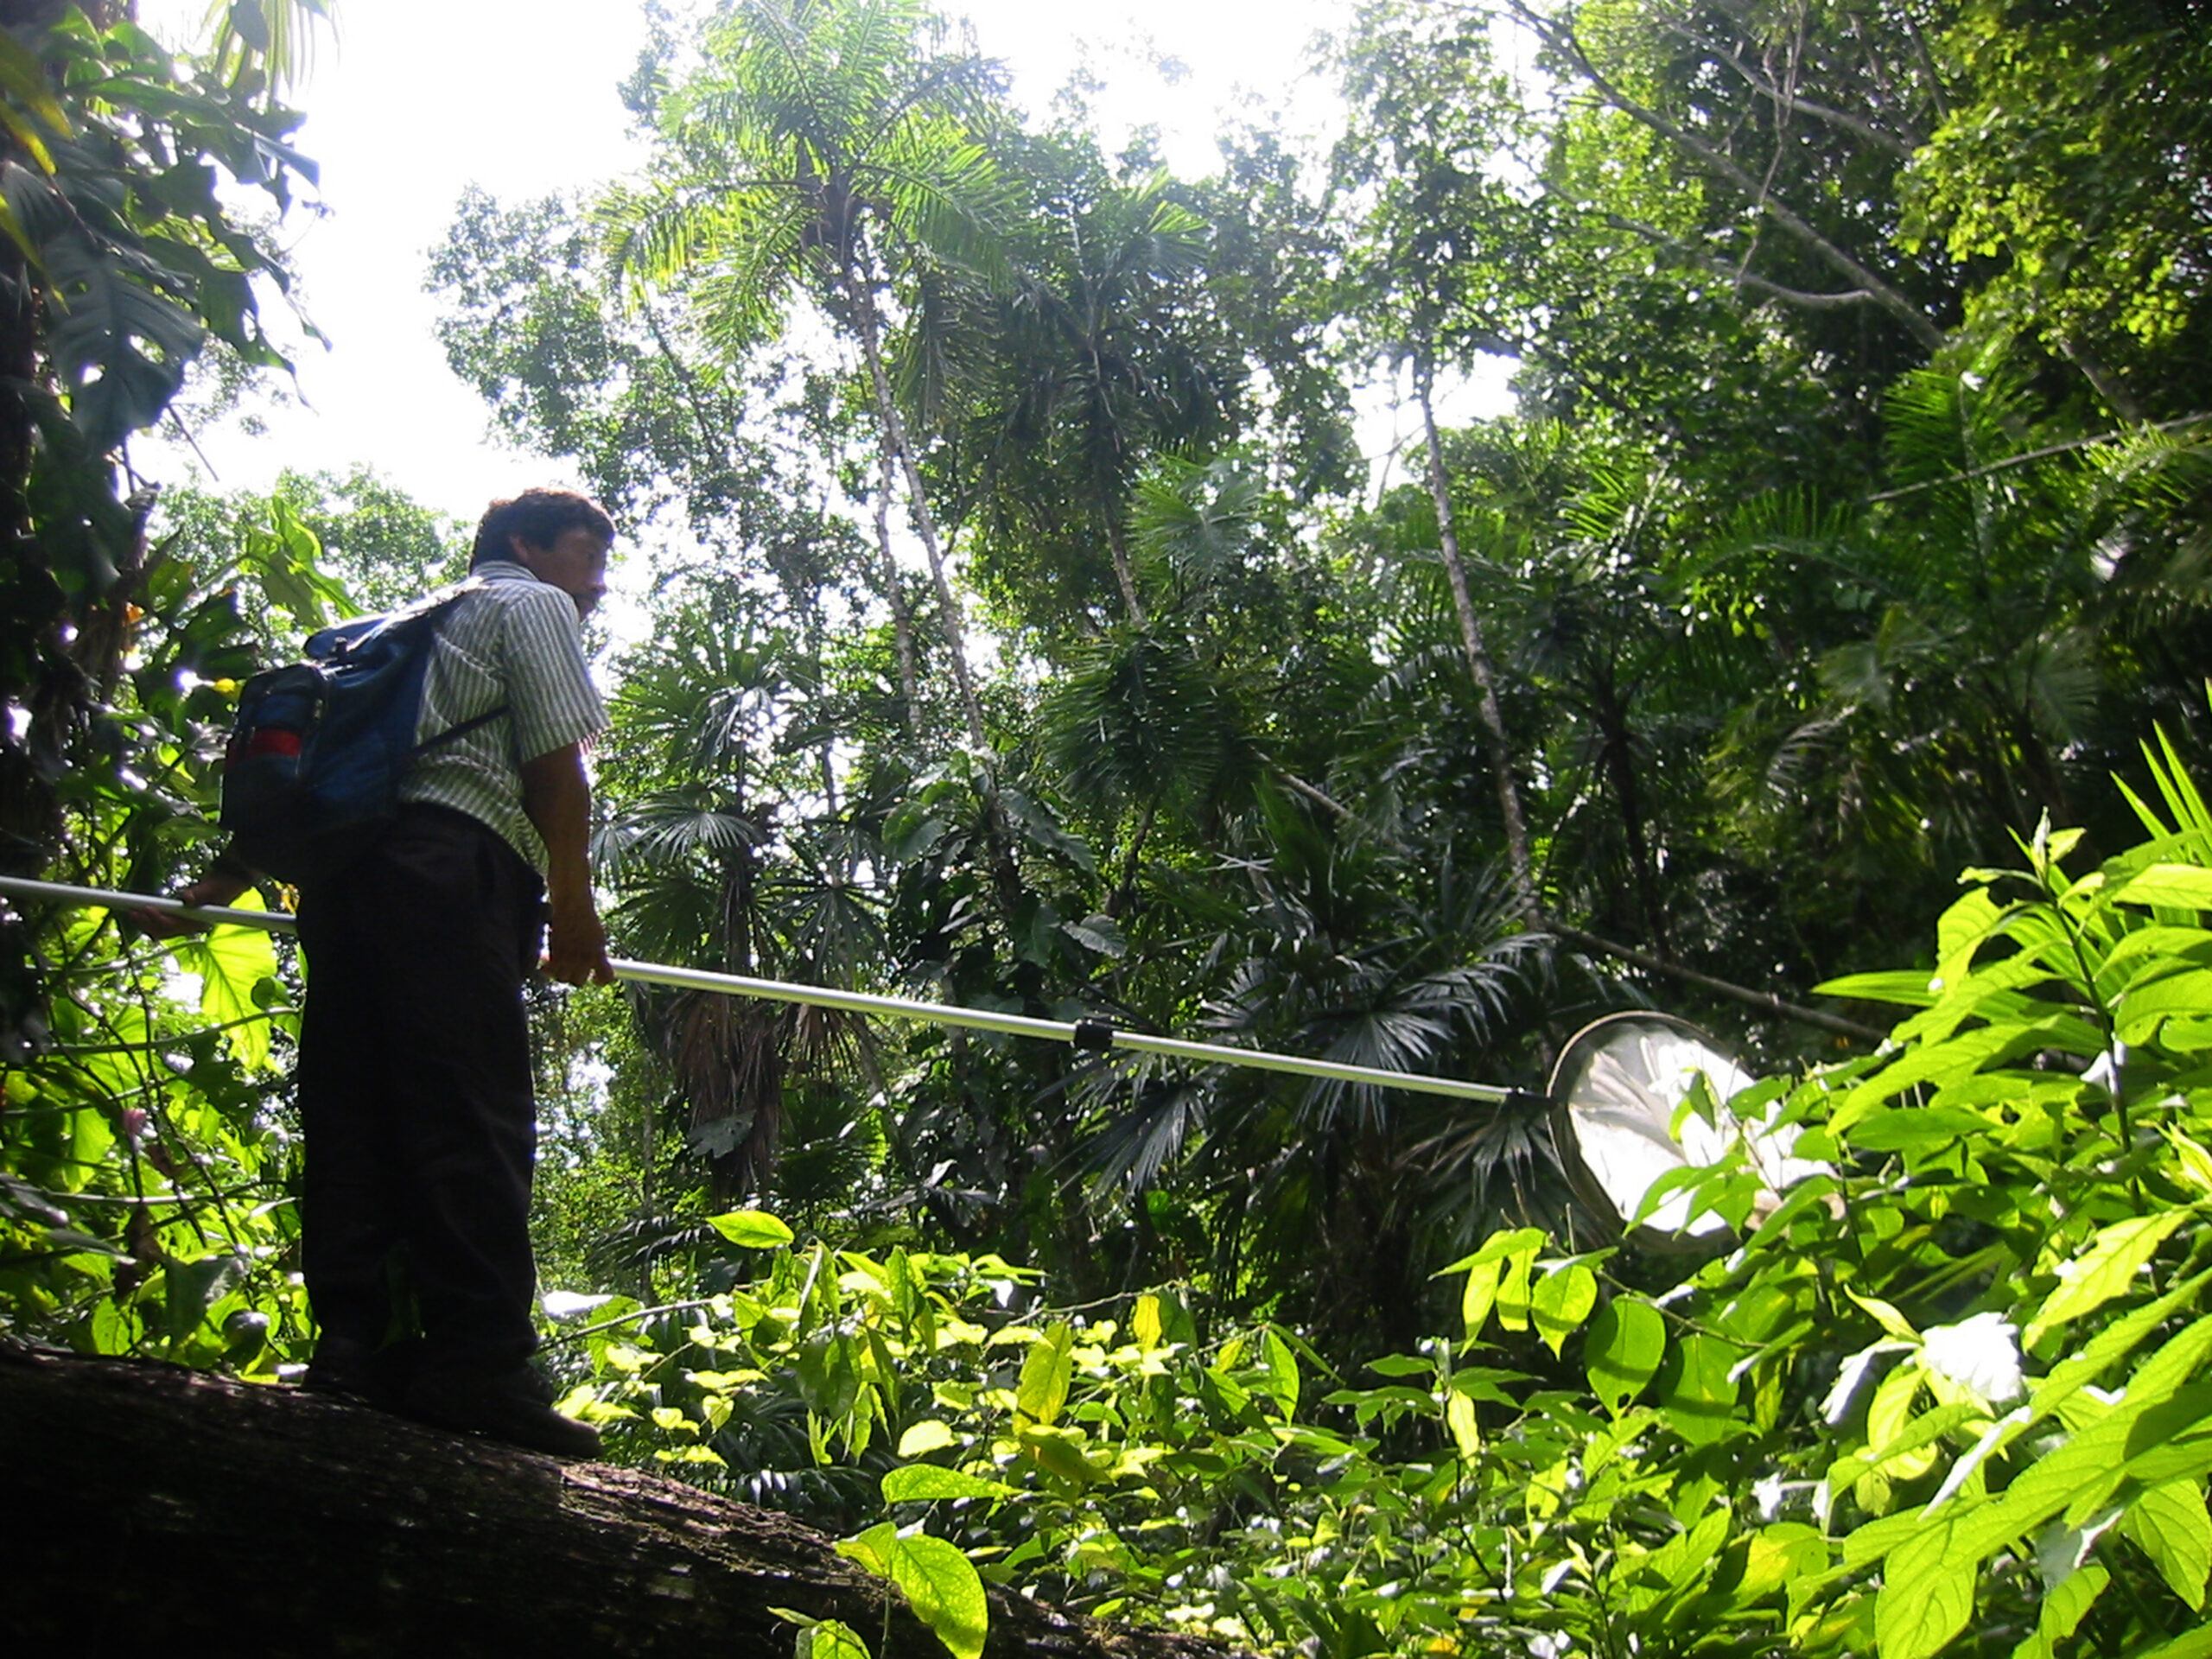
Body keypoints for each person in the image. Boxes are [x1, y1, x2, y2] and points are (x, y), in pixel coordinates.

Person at [156, 489, 619, 1458]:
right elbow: (553, 768)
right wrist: (573, 913)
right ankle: (478, 1361)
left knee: (353, 1105)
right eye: (589, 549)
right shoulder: (526, 605)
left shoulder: (388, 635)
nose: (599, 575)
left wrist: (232, 873)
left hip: (346, 878)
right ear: (526, 545)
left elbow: (334, 764)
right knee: (467, 1107)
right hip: (452, 868)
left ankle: (351, 1348)